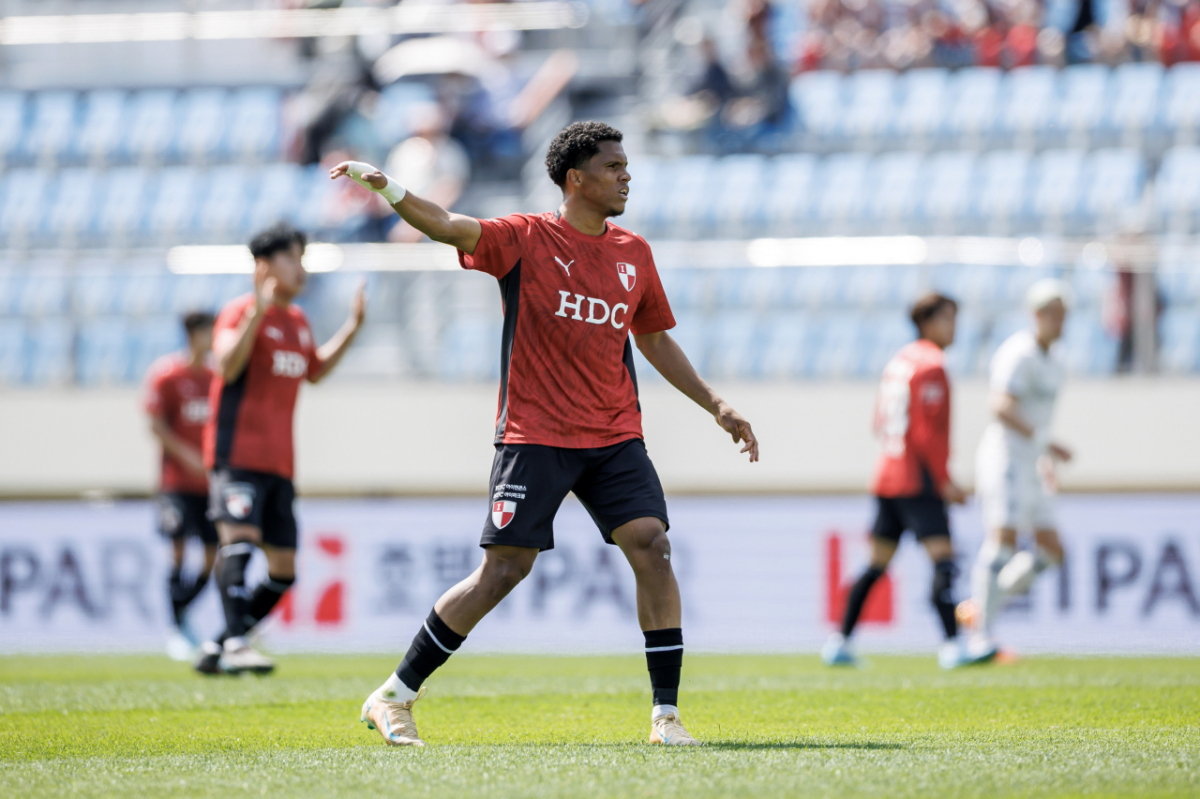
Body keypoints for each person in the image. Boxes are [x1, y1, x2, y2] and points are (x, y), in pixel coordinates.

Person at [331, 120, 759, 747]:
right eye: (614, 167)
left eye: (626, 166)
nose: (626, 176)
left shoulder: (633, 252)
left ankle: (666, 716)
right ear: (575, 177)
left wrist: (716, 405)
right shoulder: (525, 238)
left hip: (614, 434)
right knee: (503, 572)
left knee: (652, 544)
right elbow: (448, 226)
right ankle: (393, 694)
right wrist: (387, 186)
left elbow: (655, 338)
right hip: (535, 434)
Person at [193, 222, 367, 675]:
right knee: (240, 544)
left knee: (284, 571)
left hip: (279, 463)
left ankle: (218, 644)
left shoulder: (297, 321)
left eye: (302, 259)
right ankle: (235, 643)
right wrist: (257, 310)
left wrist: (351, 328)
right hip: (237, 457)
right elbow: (227, 368)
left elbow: (314, 371)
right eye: (292, 258)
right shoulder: (239, 312)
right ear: (264, 265)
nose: (300, 268)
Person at [822, 293, 997, 670]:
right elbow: (924, 434)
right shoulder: (933, 365)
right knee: (944, 562)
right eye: (949, 319)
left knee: (876, 564)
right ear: (928, 322)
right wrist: (945, 480)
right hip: (917, 481)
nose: (955, 328)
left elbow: (878, 423)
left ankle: (839, 642)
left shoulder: (898, 362)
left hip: (887, 476)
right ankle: (953, 646)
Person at [962, 279, 1073, 652]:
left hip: (1031, 461)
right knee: (1003, 540)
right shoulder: (1018, 353)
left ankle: (979, 608)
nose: (1058, 320)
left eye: (1062, 313)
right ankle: (981, 635)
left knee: (1053, 551)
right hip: (1006, 457)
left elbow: (1040, 414)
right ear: (1035, 315)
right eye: (1050, 312)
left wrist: (1043, 457)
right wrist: (1044, 442)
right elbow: (1000, 405)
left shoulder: (1056, 359)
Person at [144, 311, 218, 661]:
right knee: (176, 552)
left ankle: (181, 616)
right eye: (208, 332)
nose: (213, 338)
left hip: (210, 484)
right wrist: (187, 456)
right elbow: (156, 424)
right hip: (176, 483)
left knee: (210, 556)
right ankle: (177, 630)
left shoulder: (217, 376)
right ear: (192, 333)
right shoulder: (168, 374)